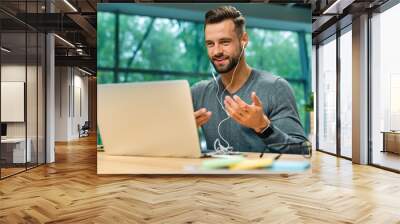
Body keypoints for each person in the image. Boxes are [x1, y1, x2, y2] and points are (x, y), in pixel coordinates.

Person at [191, 6, 307, 153]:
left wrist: (263, 126)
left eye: (225, 42)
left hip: (260, 176)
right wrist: (181, 129)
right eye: (210, 44)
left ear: (244, 40)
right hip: (212, 175)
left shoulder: (276, 88)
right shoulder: (198, 93)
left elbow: (301, 151)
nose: (217, 51)